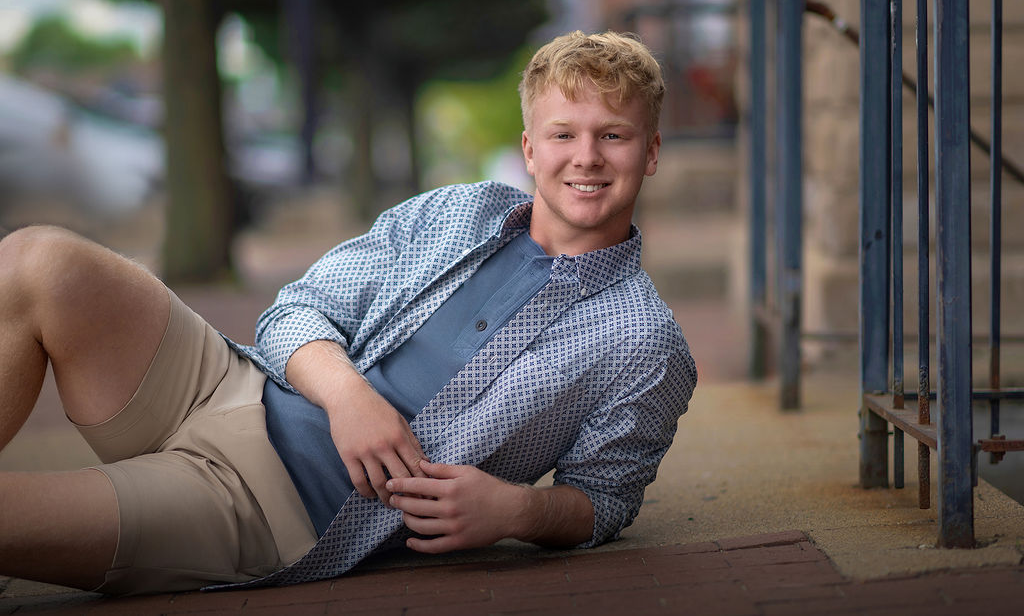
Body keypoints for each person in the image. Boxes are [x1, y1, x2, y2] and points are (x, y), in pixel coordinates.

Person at [0, 30, 697, 595]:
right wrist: (349, 397)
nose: (586, 158)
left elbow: (606, 498)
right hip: (221, 384)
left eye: (613, 136)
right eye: (563, 134)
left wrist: (517, 511)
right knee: (40, 260)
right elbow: (295, 312)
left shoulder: (645, 341)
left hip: (266, 510)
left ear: (652, 152)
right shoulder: (453, 209)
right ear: (529, 149)